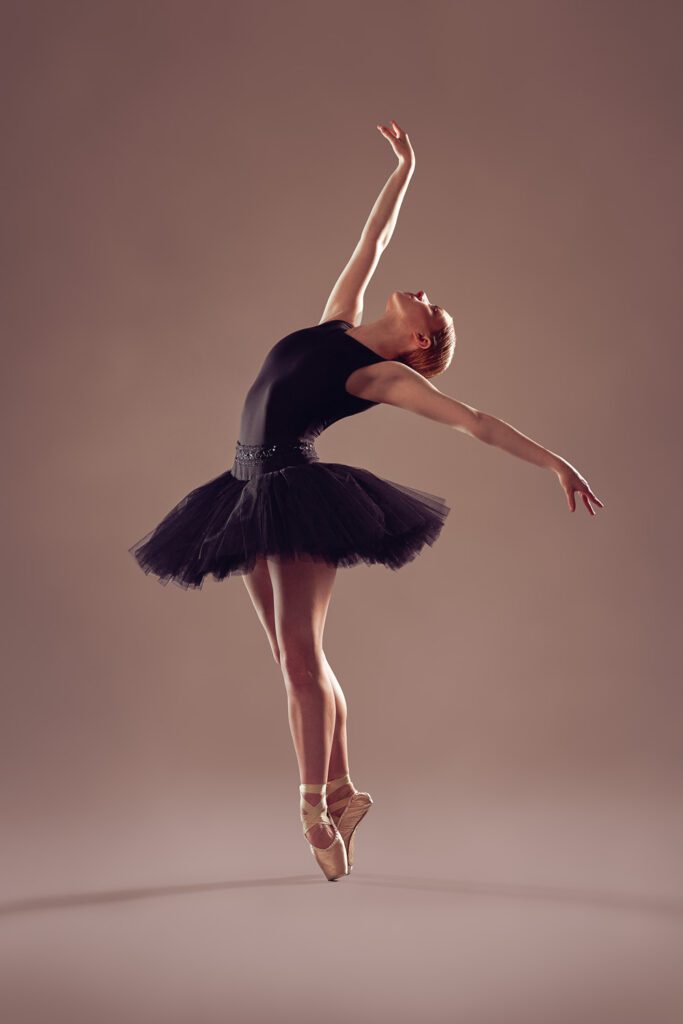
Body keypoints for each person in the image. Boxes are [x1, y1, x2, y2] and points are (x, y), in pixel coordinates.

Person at [128, 120, 604, 882]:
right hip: (242, 492)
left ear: (419, 345)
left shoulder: (383, 377)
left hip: (295, 496)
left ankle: (314, 808)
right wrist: (404, 169)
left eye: (434, 314)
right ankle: (345, 791)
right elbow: (372, 239)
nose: (426, 298)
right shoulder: (336, 321)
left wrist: (555, 462)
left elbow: (474, 422)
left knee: (299, 662)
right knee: (294, 655)